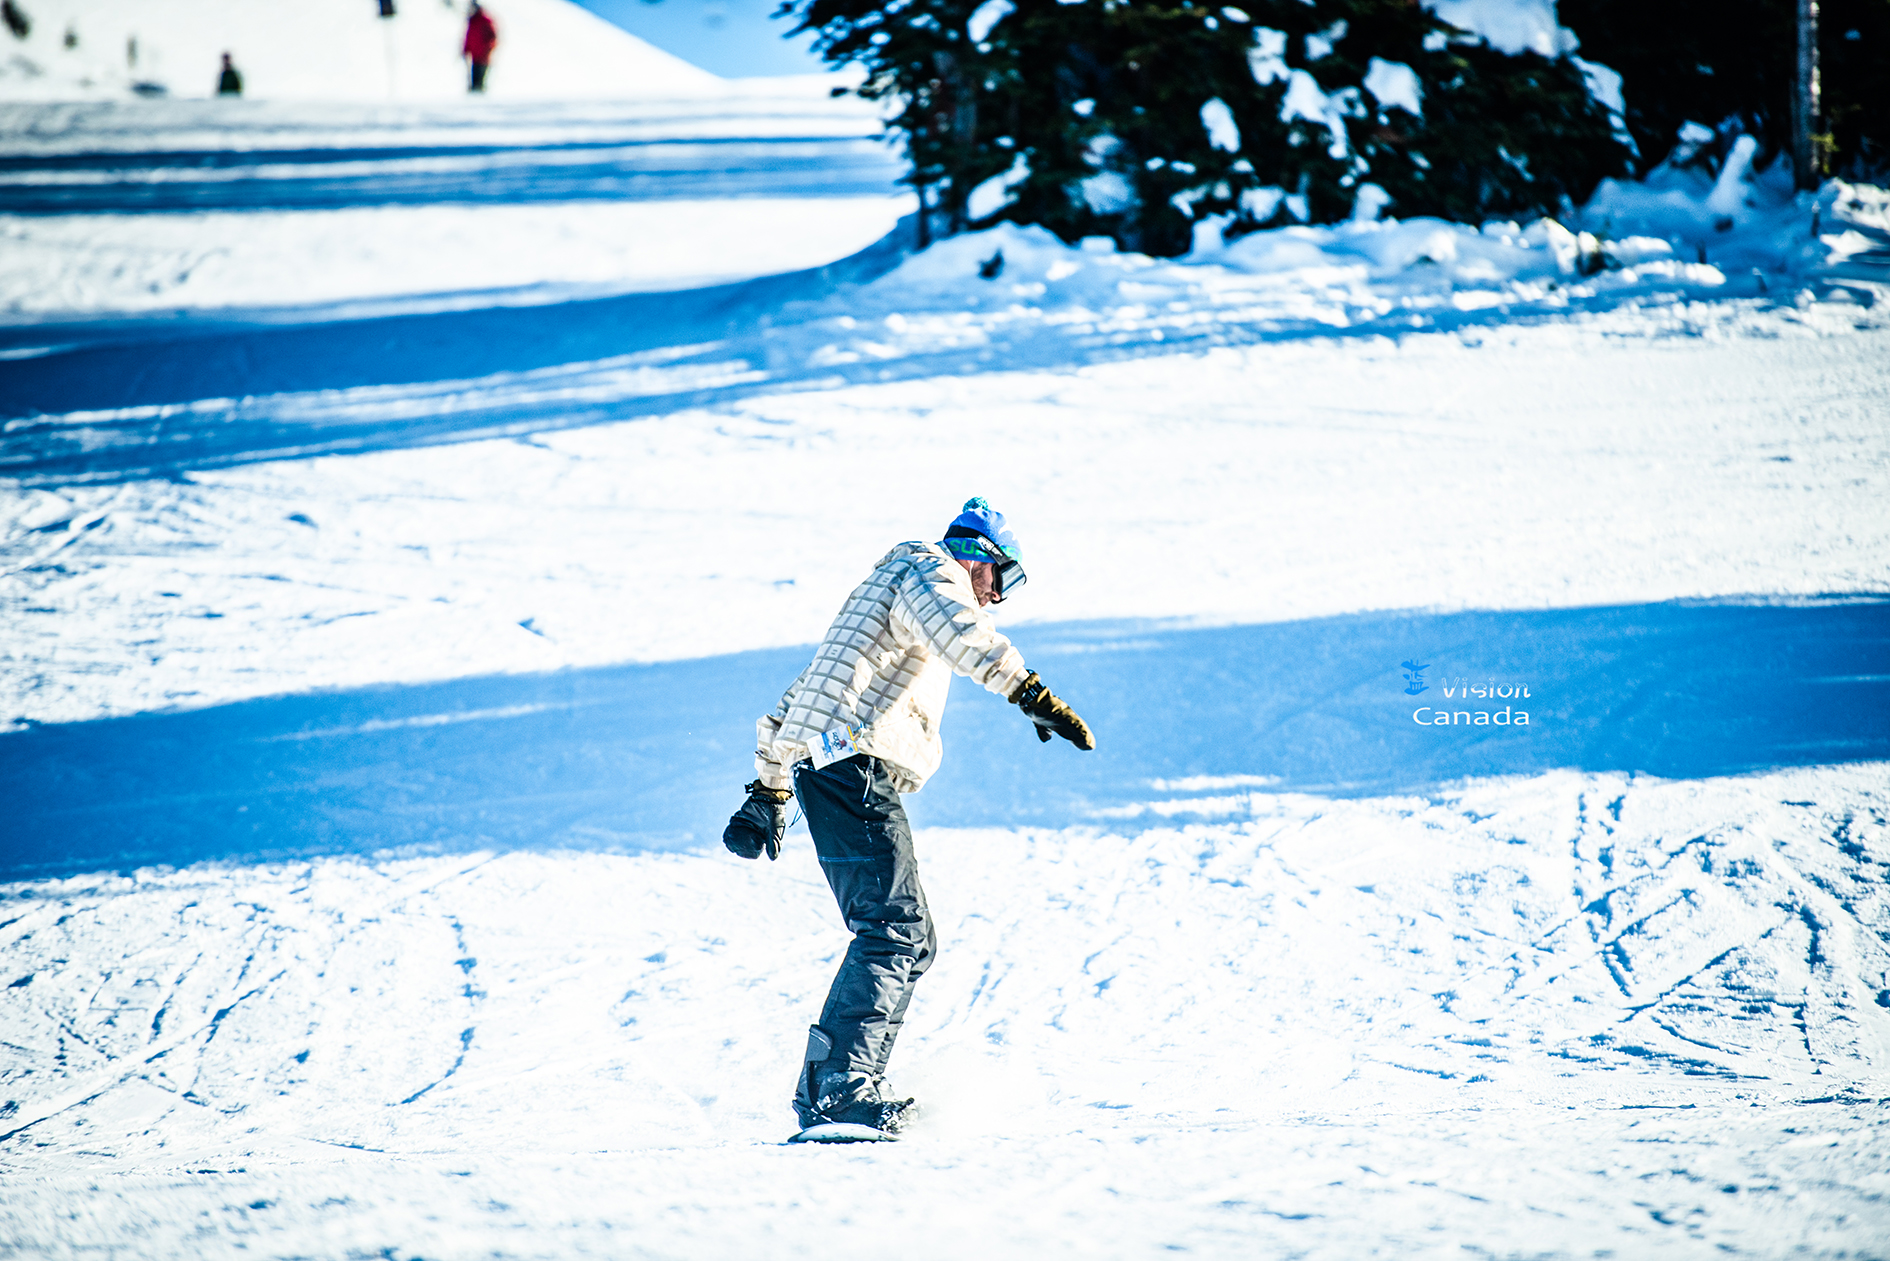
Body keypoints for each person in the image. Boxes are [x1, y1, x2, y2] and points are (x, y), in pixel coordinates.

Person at [722, 498, 1096, 1138]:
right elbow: (960, 632)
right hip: (853, 762)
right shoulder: (931, 570)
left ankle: (841, 1083)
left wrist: (770, 788)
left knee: (904, 933)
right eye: (1004, 580)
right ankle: (839, 1090)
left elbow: (803, 696)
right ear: (981, 557)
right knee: (895, 928)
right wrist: (1026, 690)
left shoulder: (885, 591)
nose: (998, 598)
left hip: (828, 763)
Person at [462, 2, 497, 93]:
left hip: (483, 57)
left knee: (479, 83)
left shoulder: (485, 20)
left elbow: (492, 37)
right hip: (474, 57)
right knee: (473, 83)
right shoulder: (472, 22)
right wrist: (465, 50)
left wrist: (488, 48)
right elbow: (468, 38)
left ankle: (481, 103)